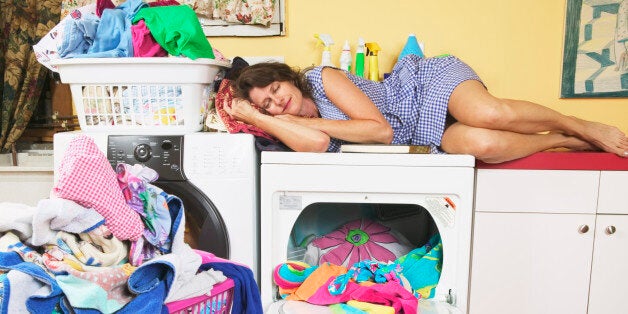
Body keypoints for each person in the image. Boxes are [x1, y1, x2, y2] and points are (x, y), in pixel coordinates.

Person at [224, 54, 628, 163]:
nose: (277, 101)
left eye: (275, 89)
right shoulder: (292, 127)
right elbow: (313, 145)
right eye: (267, 105)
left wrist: (285, 118)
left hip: (421, 90)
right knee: (482, 144)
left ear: (291, 80)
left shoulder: (324, 77)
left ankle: (577, 123)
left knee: (489, 115)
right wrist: (257, 117)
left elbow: (379, 131)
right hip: (421, 137)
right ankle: (561, 140)